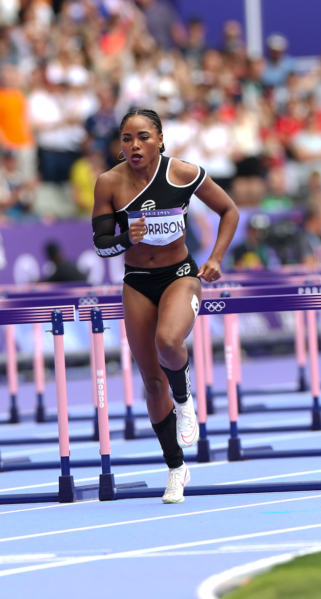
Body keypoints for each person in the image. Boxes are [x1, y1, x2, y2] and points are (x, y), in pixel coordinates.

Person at [91, 108, 239, 504]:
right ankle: (176, 468)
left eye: (142, 137)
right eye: (126, 138)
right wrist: (126, 236)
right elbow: (101, 243)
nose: (134, 145)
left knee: (169, 341)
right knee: (151, 382)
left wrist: (216, 258)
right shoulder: (108, 183)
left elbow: (229, 210)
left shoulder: (184, 174)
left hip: (181, 274)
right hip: (137, 283)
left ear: (159, 139)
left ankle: (185, 398)